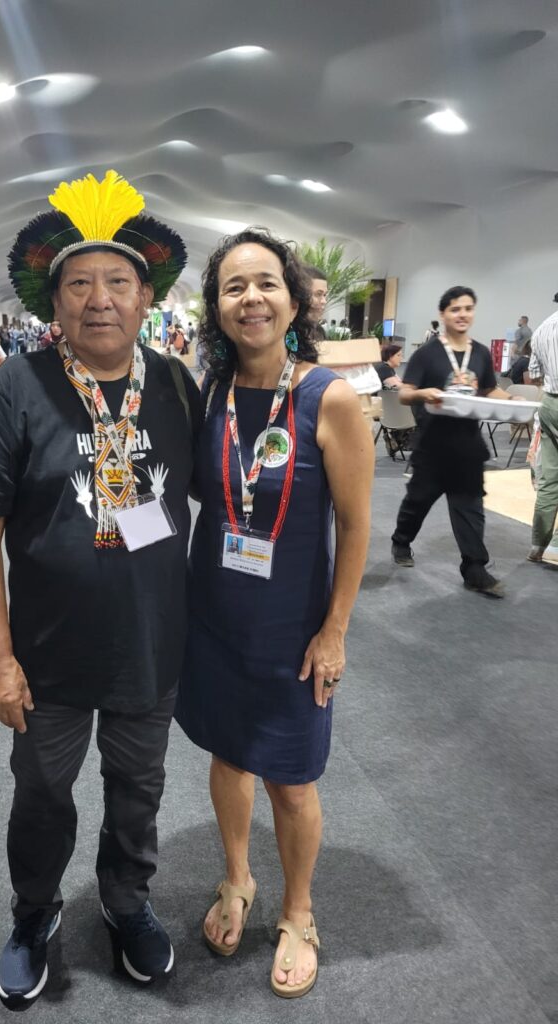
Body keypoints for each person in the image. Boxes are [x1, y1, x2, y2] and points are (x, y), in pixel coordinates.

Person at [0, 170, 198, 1007]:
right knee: (42, 795)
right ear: (55, 301)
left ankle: (126, 903)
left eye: (117, 281)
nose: (99, 299)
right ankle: (34, 914)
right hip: (46, 656)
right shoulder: (19, 386)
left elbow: (226, 496)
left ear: (146, 296)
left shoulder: (176, 385)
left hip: (150, 646)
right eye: (79, 283)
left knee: (138, 792)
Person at [175, 227, 373, 999]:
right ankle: (238, 879)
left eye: (266, 284)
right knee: (228, 756)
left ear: (293, 302)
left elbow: (355, 525)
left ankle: (298, 911)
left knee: (290, 779)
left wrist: (335, 631)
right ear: (217, 307)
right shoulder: (212, 394)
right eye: (234, 286)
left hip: (292, 626)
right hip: (215, 614)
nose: (250, 298)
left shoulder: (330, 398)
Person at [391, 286, 518, 596]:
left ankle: (475, 569)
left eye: (468, 308)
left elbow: (488, 389)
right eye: (455, 309)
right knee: (417, 502)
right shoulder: (427, 354)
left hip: (468, 447)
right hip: (432, 446)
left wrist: (512, 399)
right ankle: (401, 540)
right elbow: (405, 393)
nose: (462, 315)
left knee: (470, 508)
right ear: (443, 314)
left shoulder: (481, 353)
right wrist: (422, 393)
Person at [527, 294, 558, 564]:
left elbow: (534, 374)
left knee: (549, 478)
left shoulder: (542, 329)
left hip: (549, 403)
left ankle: (539, 545)